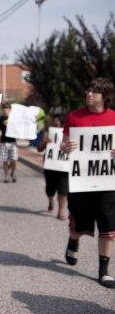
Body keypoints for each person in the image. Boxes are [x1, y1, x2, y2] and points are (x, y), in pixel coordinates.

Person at [60, 77, 115, 289]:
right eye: (88, 90)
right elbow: (63, 146)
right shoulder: (74, 117)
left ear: (105, 96)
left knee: (108, 226)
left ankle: (104, 271)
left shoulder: (113, 118)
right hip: (81, 179)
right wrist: (67, 147)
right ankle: (73, 240)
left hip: (107, 180)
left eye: (95, 91)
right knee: (79, 222)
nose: (89, 94)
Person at [36, 114, 68, 220]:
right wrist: (45, 142)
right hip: (50, 166)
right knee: (50, 189)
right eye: (54, 121)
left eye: (57, 121)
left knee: (63, 189)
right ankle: (51, 200)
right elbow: (39, 149)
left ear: (63, 123)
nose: (55, 123)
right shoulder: (47, 134)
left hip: (64, 167)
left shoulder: (69, 134)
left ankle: (61, 211)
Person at [0, 102, 18, 183]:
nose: (6, 110)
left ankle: (12, 172)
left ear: (10, 109)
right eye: (4, 108)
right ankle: (6, 176)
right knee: (4, 160)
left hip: (12, 141)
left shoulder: (14, 118)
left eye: (7, 108)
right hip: (3, 141)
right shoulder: (1, 118)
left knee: (14, 160)